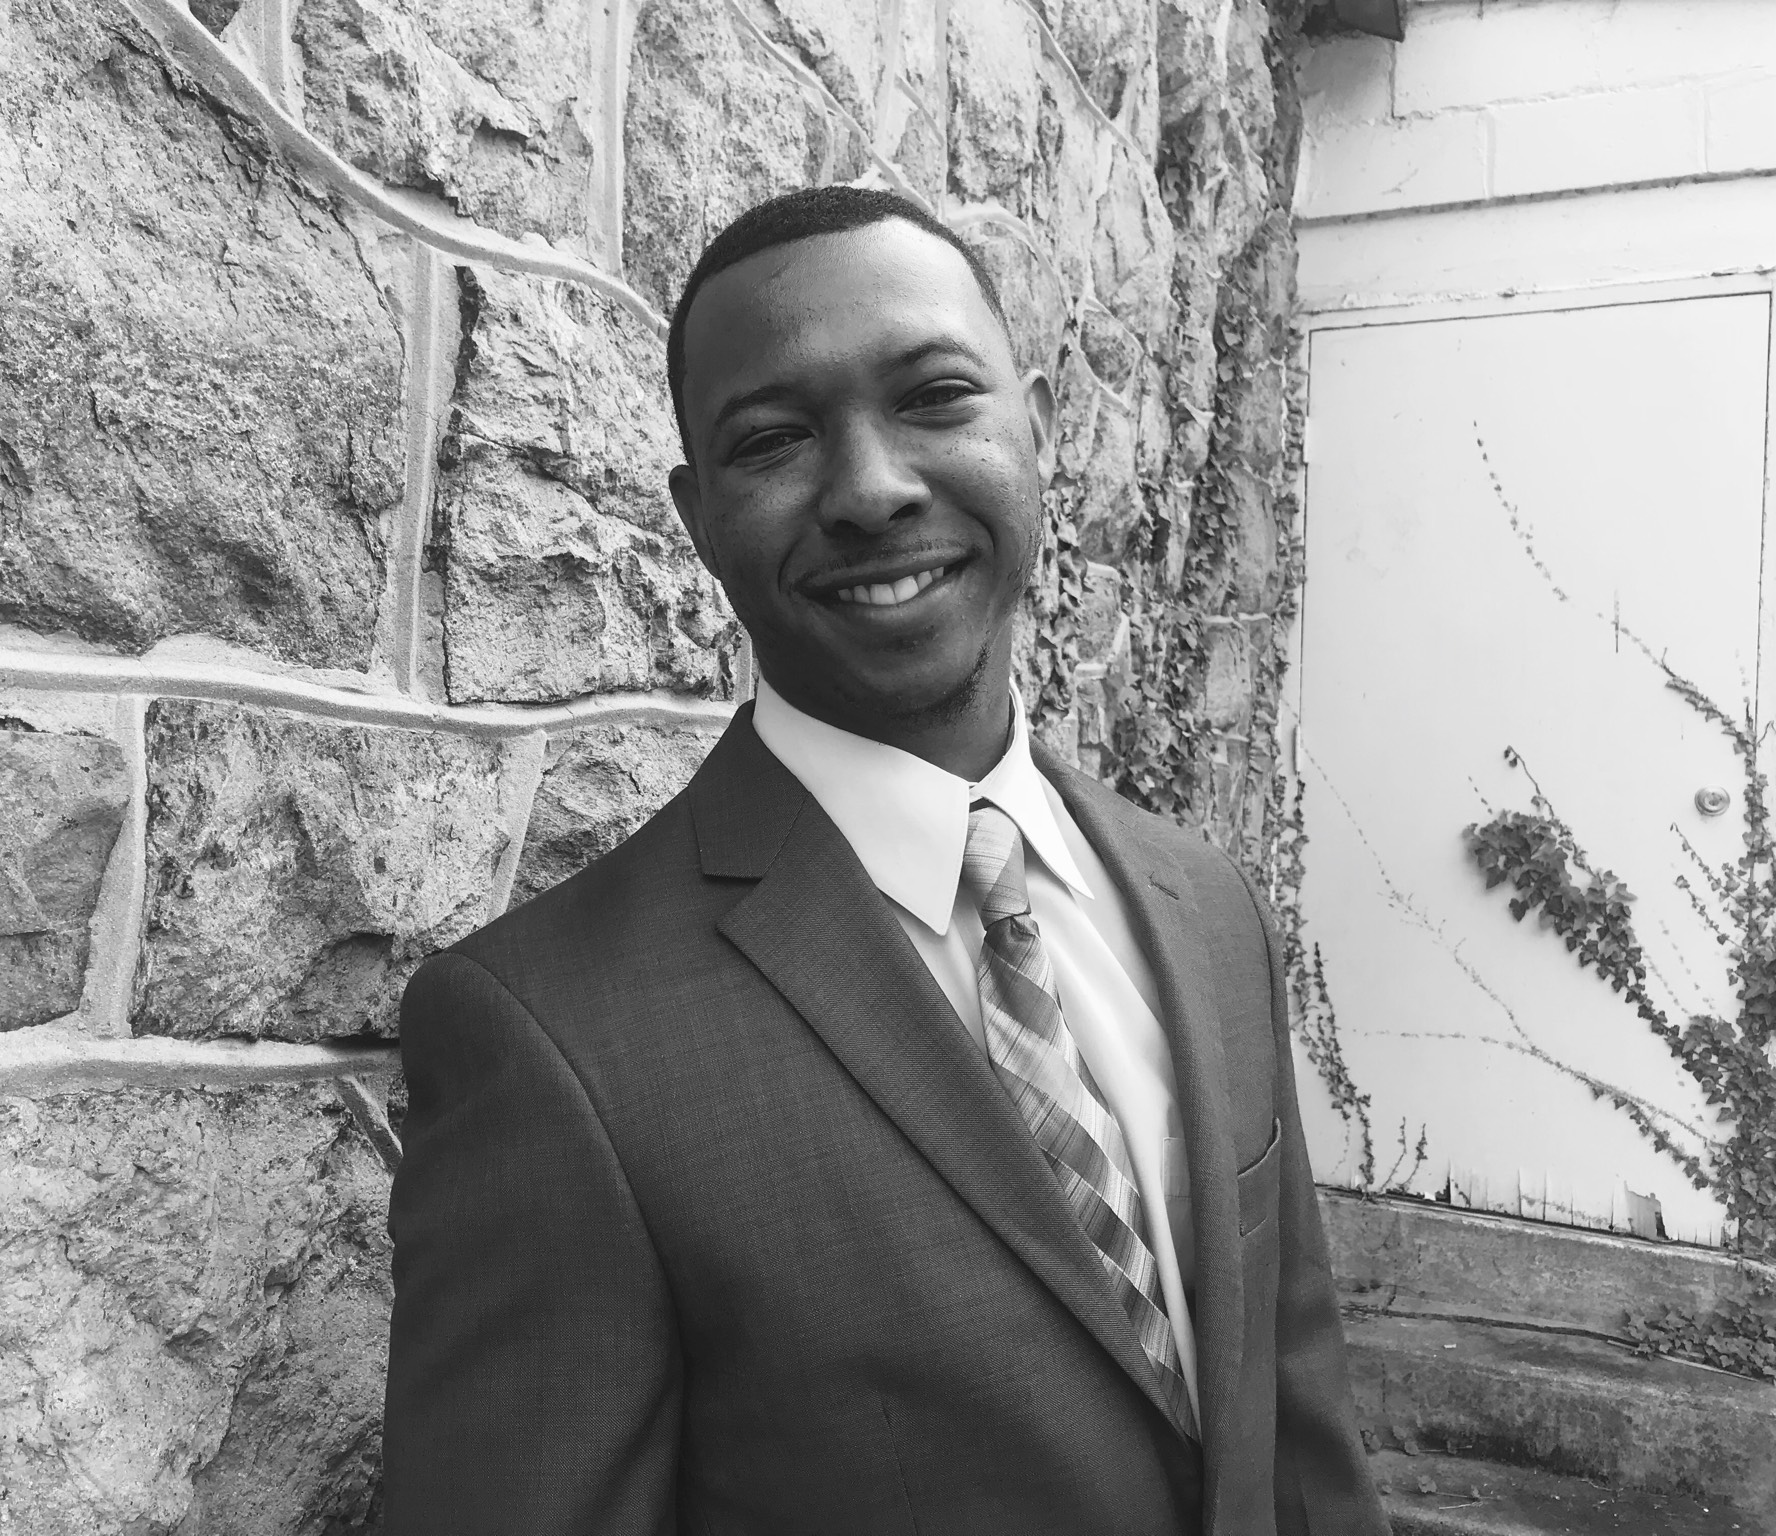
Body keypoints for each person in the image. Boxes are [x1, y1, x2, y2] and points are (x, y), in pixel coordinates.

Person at [383, 185, 1389, 1535]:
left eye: (933, 397)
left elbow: (1302, 1441)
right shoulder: (551, 1043)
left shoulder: (1207, 910)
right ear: (698, 517)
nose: (869, 487)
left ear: (1036, 427)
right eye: (773, 439)